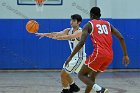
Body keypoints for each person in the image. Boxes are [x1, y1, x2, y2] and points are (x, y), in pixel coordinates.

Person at [65, 7, 130, 93]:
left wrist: (70, 57)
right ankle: (96, 90)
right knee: (92, 77)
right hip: (110, 56)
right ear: (100, 15)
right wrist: (125, 55)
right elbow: (121, 38)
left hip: (99, 54)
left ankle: (100, 90)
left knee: (81, 75)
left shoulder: (89, 24)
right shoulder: (108, 24)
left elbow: (81, 43)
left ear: (91, 15)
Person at [35, 14, 86, 93]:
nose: (71, 22)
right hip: (73, 57)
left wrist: (58, 38)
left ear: (79, 22)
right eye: (71, 20)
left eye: (74, 21)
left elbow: (70, 37)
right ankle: (73, 87)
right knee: (65, 72)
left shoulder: (80, 31)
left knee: (63, 74)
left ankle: (65, 90)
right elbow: (57, 33)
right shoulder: (68, 30)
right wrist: (45, 34)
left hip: (80, 57)